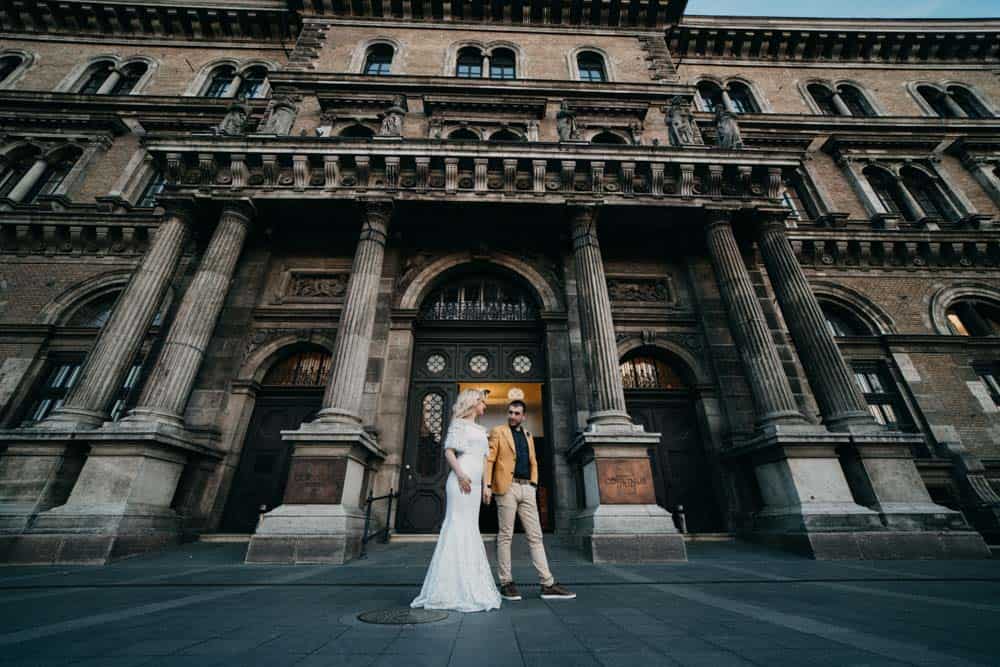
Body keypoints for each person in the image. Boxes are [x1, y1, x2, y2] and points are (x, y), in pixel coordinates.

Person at [411, 389, 501, 613]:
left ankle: (469, 583)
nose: (485, 407)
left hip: (475, 483)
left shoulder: (480, 429)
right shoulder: (459, 424)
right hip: (461, 481)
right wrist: (461, 475)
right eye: (483, 402)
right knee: (457, 527)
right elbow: (449, 452)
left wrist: (486, 486)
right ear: (473, 403)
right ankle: (449, 588)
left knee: (470, 529)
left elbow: (483, 459)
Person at [484, 400, 576, 601]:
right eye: (510, 412)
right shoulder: (498, 431)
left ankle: (547, 583)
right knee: (505, 536)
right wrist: (487, 485)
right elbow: (490, 459)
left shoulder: (528, 435)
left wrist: (533, 484)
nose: (512, 416)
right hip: (507, 488)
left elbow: (533, 461)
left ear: (523, 416)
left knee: (536, 536)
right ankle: (506, 582)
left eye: (517, 413)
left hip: (527, 488)